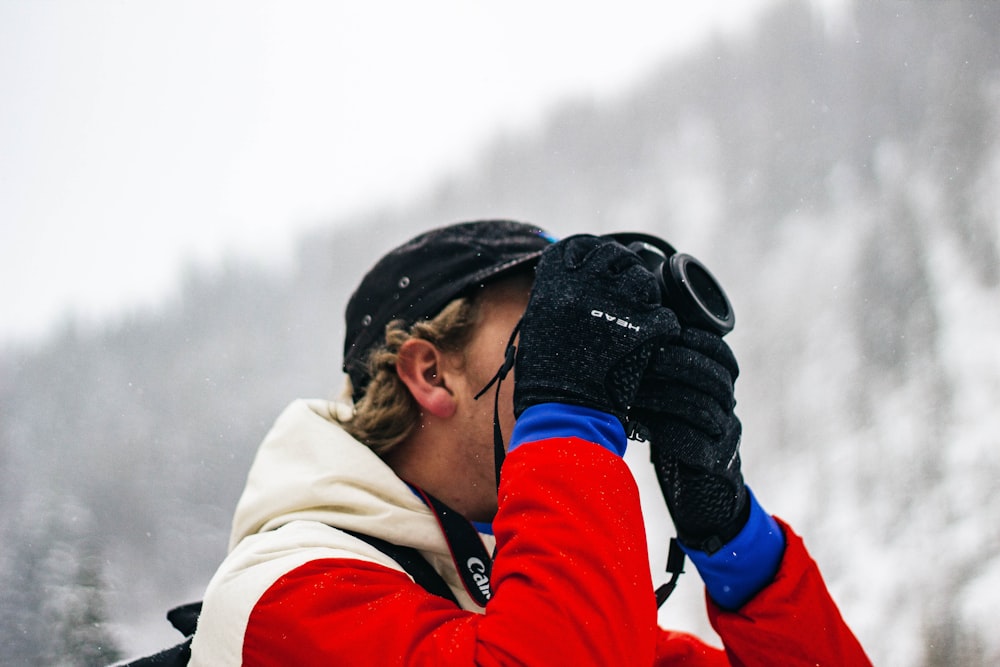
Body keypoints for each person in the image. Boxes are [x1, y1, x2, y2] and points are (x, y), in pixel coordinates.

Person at [187, 219, 871, 665]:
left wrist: (737, 544)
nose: (576, 364)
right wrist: (569, 416)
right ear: (431, 372)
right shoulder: (281, 596)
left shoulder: (520, 599)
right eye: (538, 339)